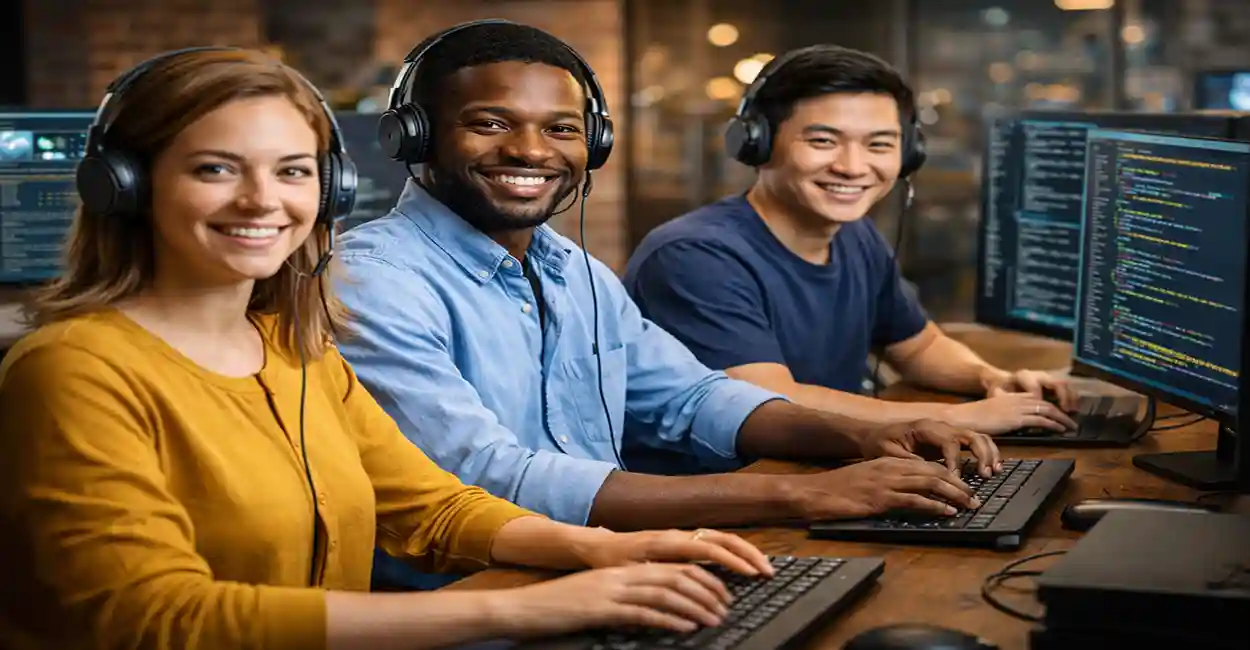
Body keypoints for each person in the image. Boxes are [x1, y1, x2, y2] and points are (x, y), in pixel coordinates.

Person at [0, 47, 779, 650]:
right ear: (125, 186)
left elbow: (432, 507)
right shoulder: (74, 371)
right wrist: (529, 607)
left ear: (330, 190)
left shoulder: (294, 349)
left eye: (292, 171)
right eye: (215, 169)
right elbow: (159, 616)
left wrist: (607, 550)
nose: (262, 200)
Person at [335, 19, 1001, 545]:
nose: (532, 151)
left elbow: (693, 397)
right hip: (476, 596)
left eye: (562, 129)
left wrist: (863, 437)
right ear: (414, 137)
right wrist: (803, 493)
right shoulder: (373, 281)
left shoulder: (574, 271)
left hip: (608, 566)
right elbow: (488, 476)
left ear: (594, 144)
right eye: (490, 123)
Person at [622, 45, 1078, 438]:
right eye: (824, 141)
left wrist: (992, 380)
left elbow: (918, 347)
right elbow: (770, 402)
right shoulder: (693, 257)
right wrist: (958, 419)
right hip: (724, 493)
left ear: (908, 154)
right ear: (756, 144)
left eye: (879, 145)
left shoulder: (856, 235)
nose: (853, 167)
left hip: (823, 466)